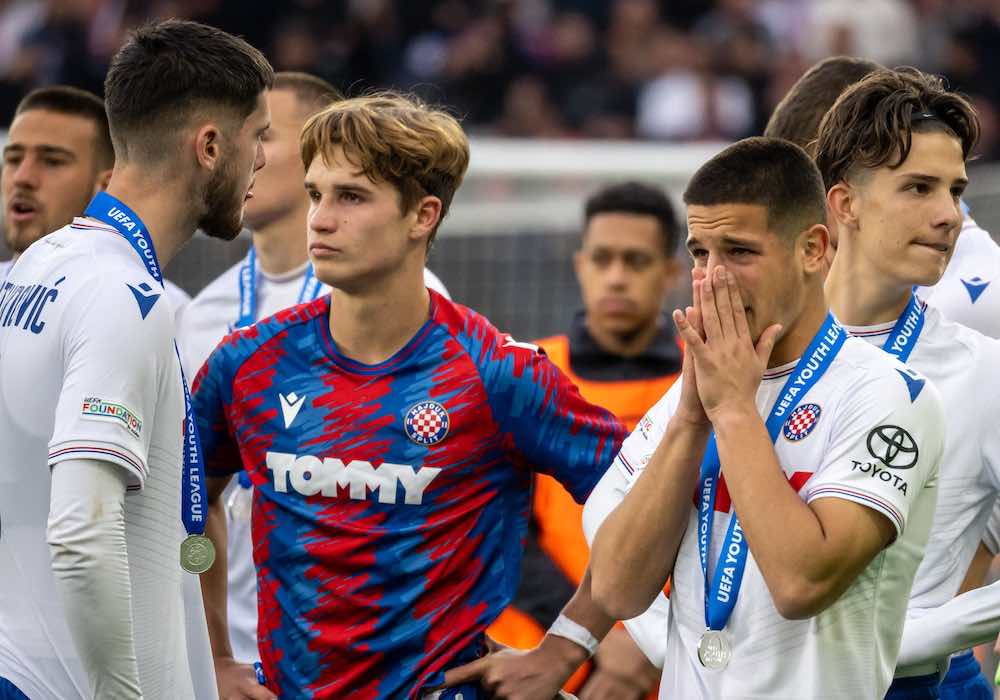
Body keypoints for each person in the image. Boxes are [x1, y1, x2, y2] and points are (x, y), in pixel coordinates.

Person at [191, 91, 627, 700]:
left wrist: (568, 646)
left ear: (422, 215)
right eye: (317, 194)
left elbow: (648, 499)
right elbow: (188, 502)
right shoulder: (248, 364)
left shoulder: (496, 374)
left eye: (351, 197)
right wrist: (210, 656)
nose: (319, 218)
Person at [583, 137, 944, 698]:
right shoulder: (689, 399)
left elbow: (801, 583)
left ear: (814, 249)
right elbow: (615, 589)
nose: (713, 278)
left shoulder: (889, 395)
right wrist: (689, 418)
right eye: (700, 253)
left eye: (740, 252)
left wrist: (731, 410)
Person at [0, 19, 272, 700]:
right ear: (210, 146)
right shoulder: (123, 294)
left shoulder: (39, 266)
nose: (262, 159)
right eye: (257, 136)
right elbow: (81, 531)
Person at [178, 72, 455, 668]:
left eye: (263, 137)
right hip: (234, 653)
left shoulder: (410, 299)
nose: (237, 156)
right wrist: (213, 655)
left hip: (361, 658)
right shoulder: (203, 315)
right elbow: (194, 495)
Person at [766, 58, 999, 700]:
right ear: (843, 204)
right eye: (920, 188)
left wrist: (924, 634)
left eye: (955, 190)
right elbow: (630, 508)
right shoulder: (752, 349)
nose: (950, 214)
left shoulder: (981, 366)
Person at [487, 181, 682, 698]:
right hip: (542, 660)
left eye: (636, 261)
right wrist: (591, 639)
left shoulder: (708, 382)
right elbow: (509, 535)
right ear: (580, 266)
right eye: (602, 259)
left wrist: (642, 641)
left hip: (667, 662)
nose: (615, 277)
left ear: (670, 273)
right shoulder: (530, 373)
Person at [0, 85, 191, 318]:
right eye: (13, 158)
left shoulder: (153, 307)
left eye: (52, 161)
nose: (22, 178)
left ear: (105, 187)